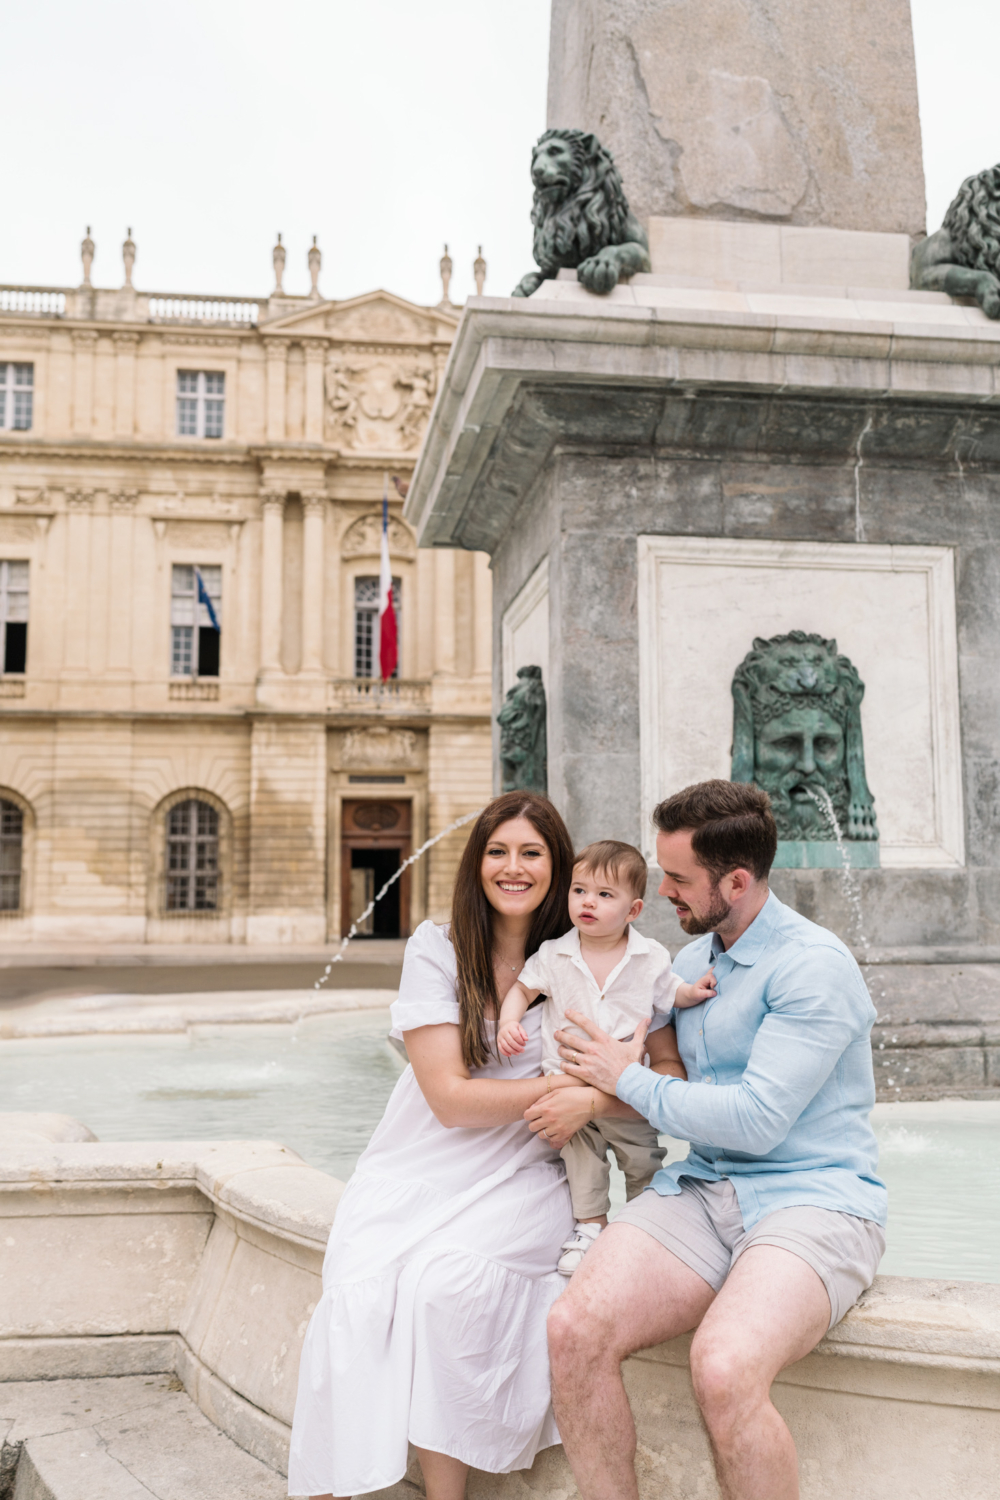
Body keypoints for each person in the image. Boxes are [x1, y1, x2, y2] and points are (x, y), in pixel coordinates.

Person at [525, 780, 886, 1500]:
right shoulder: (686, 968)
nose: (661, 893)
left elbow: (754, 1119)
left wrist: (621, 1081)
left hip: (813, 1202)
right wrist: (595, 1088)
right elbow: (653, 1080)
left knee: (722, 1366)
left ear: (738, 881)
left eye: (680, 879)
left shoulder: (815, 967)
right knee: (571, 1330)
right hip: (702, 1193)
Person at [288, 791, 604, 1500]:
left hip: (525, 1168)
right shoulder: (439, 946)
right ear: (476, 862)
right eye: (497, 851)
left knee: (444, 1287)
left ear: (556, 865)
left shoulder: (582, 960)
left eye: (531, 853)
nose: (513, 868)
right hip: (421, 1158)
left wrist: (597, 1095)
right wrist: (569, 1095)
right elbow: (450, 1101)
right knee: (359, 1294)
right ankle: (331, 1485)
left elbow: (640, 1068)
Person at [497, 839, 716, 1274]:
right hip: (568, 1079)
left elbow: (670, 991)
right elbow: (523, 989)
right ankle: (590, 1226)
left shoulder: (649, 956)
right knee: (581, 1159)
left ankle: (644, 1224)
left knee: (642, 1157)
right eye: (579, 891)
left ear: (633, 910)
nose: (587, 903)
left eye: (603, 895)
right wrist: (509, 1021)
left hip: (625, 1084)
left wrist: (693, 992)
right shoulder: (554, 953)